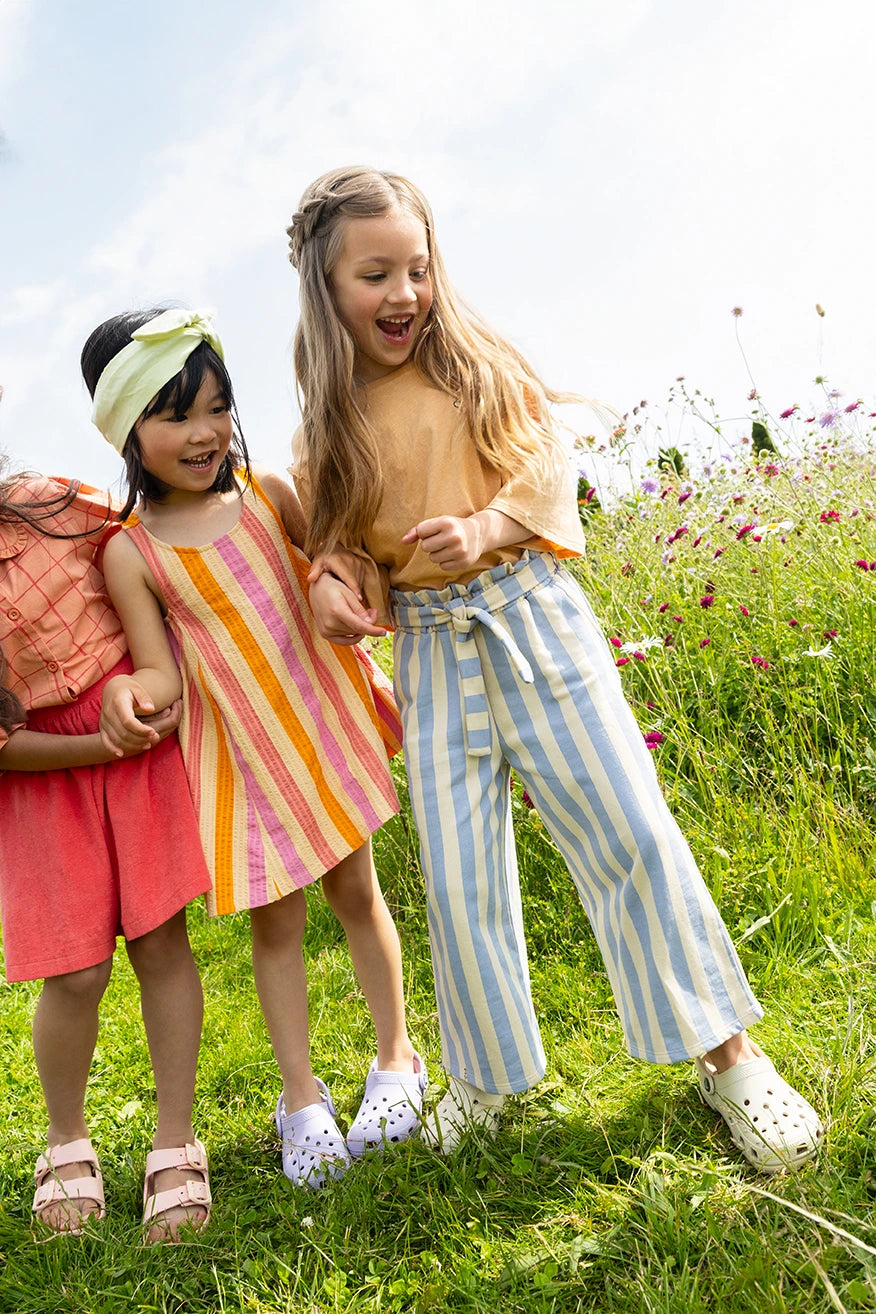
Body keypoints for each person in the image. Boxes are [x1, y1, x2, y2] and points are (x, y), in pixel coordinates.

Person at [286, 165, 824, 1174]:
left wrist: (488, 524)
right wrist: (336, 589)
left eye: (417, 267)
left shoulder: (476, 365)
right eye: (375, 275)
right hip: (435, 647)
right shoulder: (326, 430)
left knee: (626, 829)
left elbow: (542, 463)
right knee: (459, 870)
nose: (404, 293)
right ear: (326, 289)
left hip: (531, 614)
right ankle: (486, 1076)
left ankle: (729, 1054)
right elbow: (341, 547)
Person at [83, 307, 426, 1189]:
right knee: (277, 925)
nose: (205, 434)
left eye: (218, 407)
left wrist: (346, 587)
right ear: (128, 430)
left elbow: (334, 567)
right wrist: (130, 697)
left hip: (320, 723)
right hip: (241, 756)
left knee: (357, 888)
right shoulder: (133, 553)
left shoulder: (270, 493)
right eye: (177, 416)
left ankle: (397, 1057)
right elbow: (157, 670)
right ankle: (301, 1099)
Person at [0, 455, 213, 1241]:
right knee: (75, 969)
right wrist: (98, 745)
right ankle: (64, 1138)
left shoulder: (52, 502)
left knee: (161, 939)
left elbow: (148, 574)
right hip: (40, 774)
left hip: (135, 726)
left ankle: (176, 1139)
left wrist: (158, 690)